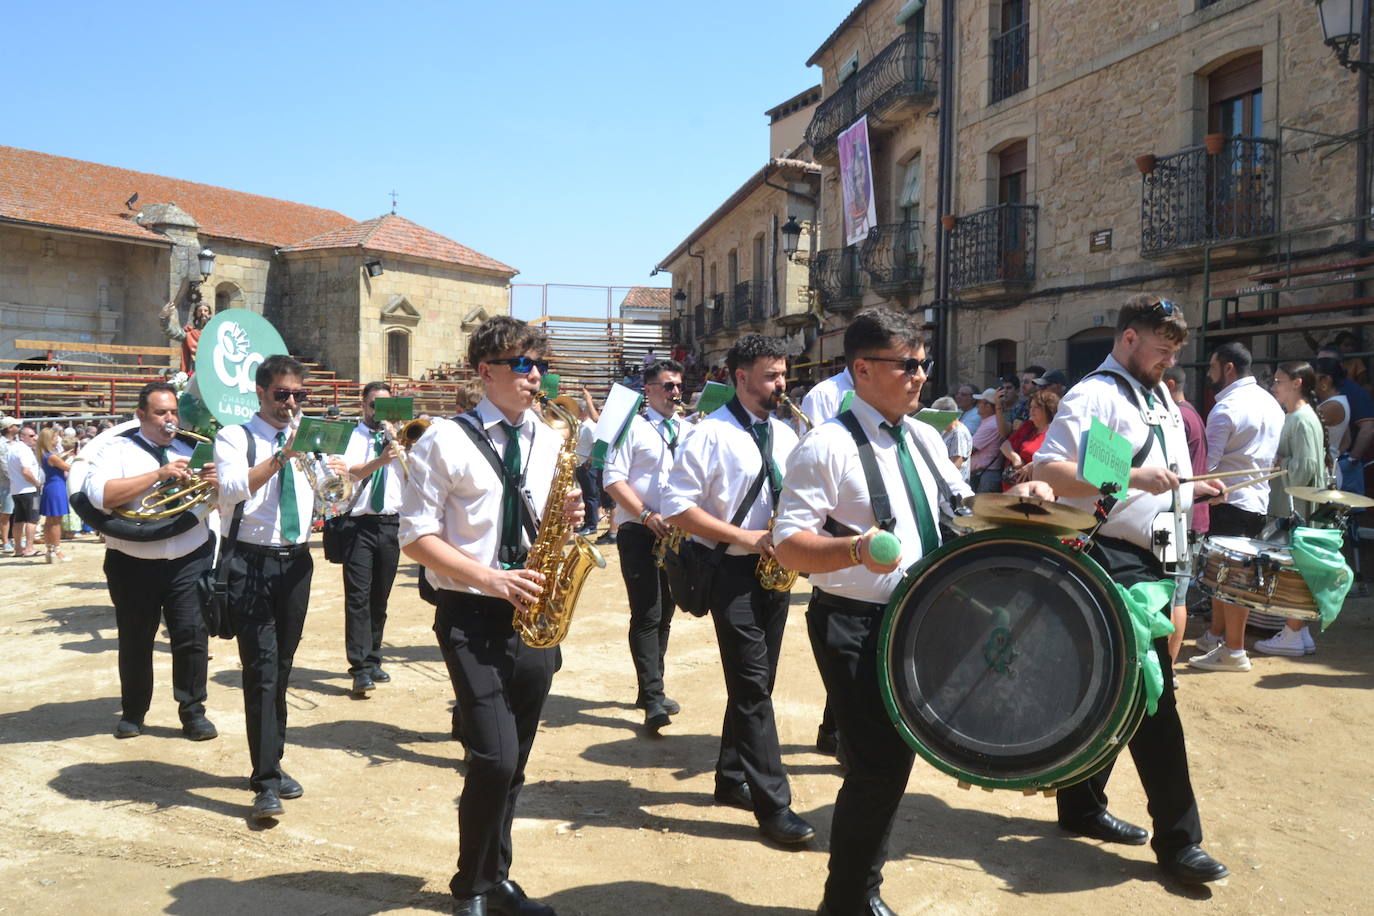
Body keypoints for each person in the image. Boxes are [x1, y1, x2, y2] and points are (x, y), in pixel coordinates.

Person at [775, 308, 989, 916]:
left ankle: (856, 892)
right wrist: (854, 548)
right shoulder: (825, 445)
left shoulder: (923, 436)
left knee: (894, 762)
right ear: (863, 369)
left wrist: (1018, 502)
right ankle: (848, 899)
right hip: (855, 622)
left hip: (922, 618)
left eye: (923, 364)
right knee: (876, 766)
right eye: (908, 365)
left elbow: (959, 509)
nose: (920, 375)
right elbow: (789, 544)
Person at [1032, 293, 1229, 886]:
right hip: (1111, 558)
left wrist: (1193, 493)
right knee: (1153, 697)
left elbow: (1159, 492)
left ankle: (1081, 805)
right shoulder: (1097, 395)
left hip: (1157, 554)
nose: (1168, 360)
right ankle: (1179, 840)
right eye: (1160, 348)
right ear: (1128, 339)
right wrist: (1133, 475)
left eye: (1174, 351)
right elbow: (1053, 474)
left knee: (1116, 694)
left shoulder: (1160, 396)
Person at [399, 315, 580, 916]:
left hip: (534, 611)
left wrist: (574, 515)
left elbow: (551, 518)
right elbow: (416, 537)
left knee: (516, 759)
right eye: (523, 366)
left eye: (540, 366)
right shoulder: (443, 440)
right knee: (493, 756)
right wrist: (490, 578)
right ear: (485, 372)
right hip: (470, 614)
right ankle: (470, 885)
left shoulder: (550, 438)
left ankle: (496, 876)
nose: (536, 378)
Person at [663, 333, 815, 847]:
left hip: (775, 573)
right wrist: (744, 536)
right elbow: (676, 506)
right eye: (772, 375)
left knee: (758, 684)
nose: (782, 384)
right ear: (741, 377)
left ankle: (730, 779)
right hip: (731, 574)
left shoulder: (788, 434)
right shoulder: (709, 435)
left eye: (783, 374)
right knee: (752, 688)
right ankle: (775, 806)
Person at [214, 355, 347, 821]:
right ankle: (265, 779)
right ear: (261, 393)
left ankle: (272, 760)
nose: (292, 402)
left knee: (283, 666)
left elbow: (334, 494)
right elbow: (230, 490)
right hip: (251, 561)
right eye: (282, 394)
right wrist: (280, 457)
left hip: (297, 563)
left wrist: (337, 473)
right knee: (263, 670)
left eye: (299, 395)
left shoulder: (308, 439)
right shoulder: (236, 436)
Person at [86, 381, 218, 741]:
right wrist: (159, 475)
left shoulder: (194, 448)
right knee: (136, 639)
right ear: (141, 415)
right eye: (161, 413)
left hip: (189, 557)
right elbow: (100, 496)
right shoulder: (116, 450)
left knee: (192, 637)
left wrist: (215, 480)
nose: (170, 419)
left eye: (174, 412)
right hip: (133, 561)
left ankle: (193, 712)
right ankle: (133, 711)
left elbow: (223, 496)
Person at [1191, 341, 1284, 673]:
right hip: (1256, 502)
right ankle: (1216, 636)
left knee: (1231, 580)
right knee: (1223, 577)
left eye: (1213, 366)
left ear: (1228, 367)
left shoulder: (1226, 408)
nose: (1210, 373)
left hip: (1228, 502)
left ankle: (1233, 650)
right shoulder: (1271, 403)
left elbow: (1209, 468)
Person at [604, 359, 684, 731]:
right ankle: (652, 697)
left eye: (678, 386)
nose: (675, 392)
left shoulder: (686, 428)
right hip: (640, 530)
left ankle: (652, 687)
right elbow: (613, 479)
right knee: (647, 613)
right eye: (667, 386)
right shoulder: (632, 427)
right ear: (648, 390)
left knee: (666, 612)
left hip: (676, 534)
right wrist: (647, 514)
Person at [1253, 361, 1330, 658]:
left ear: (1296, 383)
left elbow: (1306, 467)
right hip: (1295, 504)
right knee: (1297, 566)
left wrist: (1279, 463)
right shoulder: (1299, 416)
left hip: (1298, 507)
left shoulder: (1300, 418)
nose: (1274, 387)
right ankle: (1299, 631)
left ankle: (1294, 632)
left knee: (1294, 566)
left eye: (1279, 381)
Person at [341, 382, 407, 696]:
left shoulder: (402, 437)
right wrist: (382, 458)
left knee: (379, 597)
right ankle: (359, 667)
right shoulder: (354, 435)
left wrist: (407, 447)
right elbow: (351, 473)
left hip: (391, 524)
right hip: (360, 525)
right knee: (358, 598)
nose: (378, 412)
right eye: (373, 405)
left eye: (386, 407)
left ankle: (374, 656)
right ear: (363, 405)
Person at [1162, 366, 1209, 664]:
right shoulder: (1191, 411)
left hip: (1184, 518)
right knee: (1174, 595)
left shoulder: (1178, 416)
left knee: (1173, 598)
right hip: (1190, 515)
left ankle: (1169, 669)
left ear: (1168, 384)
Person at [1316, 344, 1374, 492]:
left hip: (1347, 463)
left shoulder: (1354, 392)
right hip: (1335, 461)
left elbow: (1368, 428)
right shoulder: (1323, 394)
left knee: (1347, 512)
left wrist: (1351, 460)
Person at [998, 388, 1058, 489]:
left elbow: (1057, 460)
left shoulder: (1054, 432)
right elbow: (1005, 445)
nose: (1032, 410)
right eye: (1031, 407)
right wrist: (1015, 458)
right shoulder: (1028, 426)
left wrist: (1033, 465)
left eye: (1037, 407)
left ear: (1048, 409)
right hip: (1013, 488)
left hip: (1036, 491)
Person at [1313, 357, 1351, 489]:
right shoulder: (1338, 402)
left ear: (1325, 380)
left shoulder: (1333, 405)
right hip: (1329, 471)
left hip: (1325, 475)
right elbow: (1347, 440)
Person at [37, 427, 72, 563]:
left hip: (50, 486)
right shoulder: (52, 456)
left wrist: (62, 455)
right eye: (56, 437)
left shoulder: (45, 454)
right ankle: (58, 551)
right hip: (57, 488)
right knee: (56, 522)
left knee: (49, 522)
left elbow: (56, 462)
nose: (58, 439)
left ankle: (50, 550)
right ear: (50, 440)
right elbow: (68, 467)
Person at [6, 424, 42, 558]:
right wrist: (37, 483)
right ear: (22, 437)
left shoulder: (12, 449)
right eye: (32, 436)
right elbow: (26, 471)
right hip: (30, 489)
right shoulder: (24, 450)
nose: (35, 438)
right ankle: (29, 548)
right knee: (33, 519)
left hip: (17, 489)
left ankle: (18, 548)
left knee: (19, 520)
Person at [160, 295, 214, 374]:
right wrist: (163, 317)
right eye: (200, 311)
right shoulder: (189, 334)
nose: (203, 313)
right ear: (196, 314)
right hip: (194, 370)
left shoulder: (215, 333)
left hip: (211, 369)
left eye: (205, 311)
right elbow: (168, 330)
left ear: (209, 314)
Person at [968, 388, 1006, 493]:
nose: (977, 405)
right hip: (982, 475)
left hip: (985, 476)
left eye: (980, 402)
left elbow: (970, 449)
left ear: (988, 406)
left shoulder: (991, 424)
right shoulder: (990, 422)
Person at [931, 396, 972, 482]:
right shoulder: (945, 430)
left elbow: (957, 461)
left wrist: (941, 479)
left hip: (953, 484)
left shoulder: (958, 432)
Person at [0, 417, 17, 554]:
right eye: (15, 425)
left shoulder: (16, 443)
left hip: (16, 483)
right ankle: (5, 541)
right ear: (10, 428)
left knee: (16, 512)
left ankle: (13, 538)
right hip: (7, 484)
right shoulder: (1, 444)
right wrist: (15, 478)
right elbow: (4, 464)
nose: (18, 427)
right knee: (6, 513)